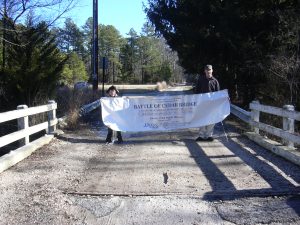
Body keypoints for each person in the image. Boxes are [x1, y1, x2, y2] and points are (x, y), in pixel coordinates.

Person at [193, 64, 220, 141]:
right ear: (204, 71)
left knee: (211, 120)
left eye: (210, 70)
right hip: (202, 104)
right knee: (202, 119)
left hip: (211, 105)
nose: (208, 71)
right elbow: (196, 92)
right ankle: (201, 135)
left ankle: (209, 135)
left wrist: (224, 98)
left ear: (212, 70)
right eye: (207, 70)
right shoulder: (200, 80)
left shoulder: (215, 81)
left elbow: (218, 94)